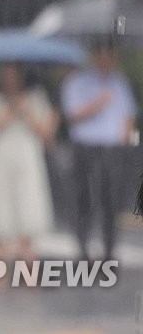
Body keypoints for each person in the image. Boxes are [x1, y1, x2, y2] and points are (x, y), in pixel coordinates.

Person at [61, 40, 137, 261]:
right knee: (84, 199)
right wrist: (97, 103)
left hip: (112, 150)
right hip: (86, 148)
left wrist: (127, 139)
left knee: (111, 201)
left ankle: (109, 251)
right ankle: (83, 249)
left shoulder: (120, 83)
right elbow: (72, 115)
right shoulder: (76, 82)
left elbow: (128, 117)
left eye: (110, 56)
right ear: (95, 57)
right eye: (102, 55)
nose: (106, 61)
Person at [0, 63, 58, 264]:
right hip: (0, 157)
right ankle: (0, 264)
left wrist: (26, 112)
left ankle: (27, 262)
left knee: (28, 205)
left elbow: (46, 134)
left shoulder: (35, 98)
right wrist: (9, 112)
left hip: (27, 157)